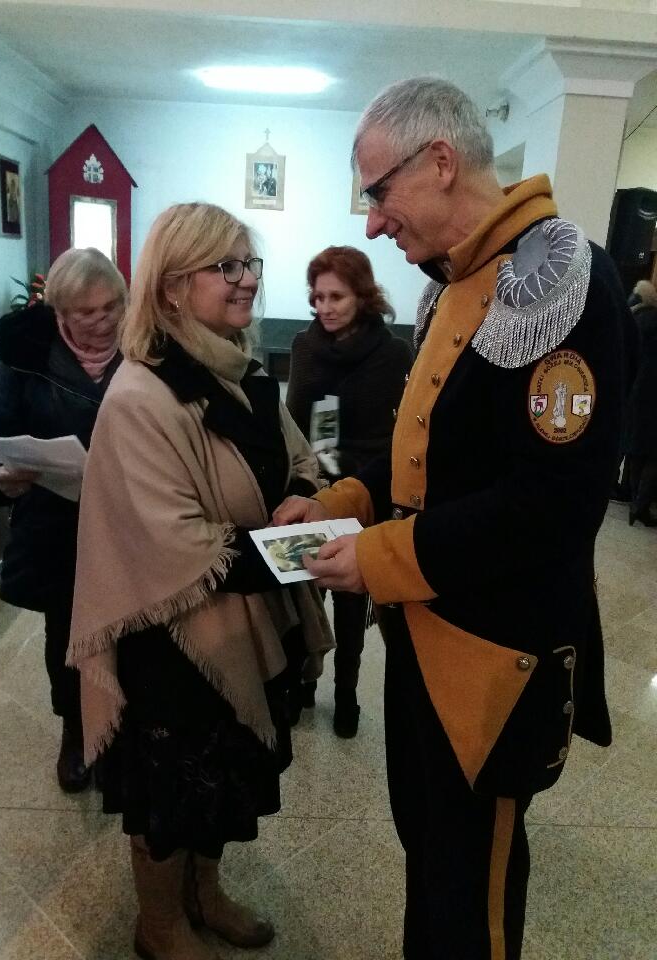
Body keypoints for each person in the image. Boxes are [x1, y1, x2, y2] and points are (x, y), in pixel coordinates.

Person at [274, 77, 630, 960]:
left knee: (474, 898)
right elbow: (426, 457)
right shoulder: (454, 282)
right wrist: (343, 504)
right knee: (432, 861)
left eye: (378, 192)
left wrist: (379, 557)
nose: (372, 225)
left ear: (439, 161)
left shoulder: (562, 277)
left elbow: (553, 504)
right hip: (422, 637)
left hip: (496, 661)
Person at [66, 203, 332, 960]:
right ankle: (159, 923)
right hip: (173, 635)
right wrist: (308, 549)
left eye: (249, 263)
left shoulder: (244, 370)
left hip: (249, 609)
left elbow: (302, 461)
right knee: (174, 791)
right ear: (173, 287)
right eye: (227, 266)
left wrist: (306, 499)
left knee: (226, 779)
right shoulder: (139, 396)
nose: (247, 280)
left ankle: (205, 894)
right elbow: (181, 546)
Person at [0, 247, 125, 793]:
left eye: (111, 307)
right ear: (59, 311)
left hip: (127, 525)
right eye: (86, 312)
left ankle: (120, 733)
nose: (102, 321)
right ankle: (75, 732)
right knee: (67, 636)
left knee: (129, 629)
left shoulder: (144, 349)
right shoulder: (26, 355)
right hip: (57, 527)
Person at [286, 245, 412, 736]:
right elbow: (295, 424)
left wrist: (358, 482)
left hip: (366, 490)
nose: (325, 307)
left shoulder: (394, 353)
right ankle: (304, 683)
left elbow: (397, 439)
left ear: (362, 295)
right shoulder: (304, 346)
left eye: (336, 296)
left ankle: (346, 696)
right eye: (317, 297)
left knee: (352, 603)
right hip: (315, 488)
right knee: (305, 597)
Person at [625, 279, 657, 526]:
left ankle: (635, 500)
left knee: (637, 447)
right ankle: (640, 504)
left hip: (636, 388)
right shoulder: (654, 320)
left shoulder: (634, 315)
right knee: (654, 453)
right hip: (653, 391)